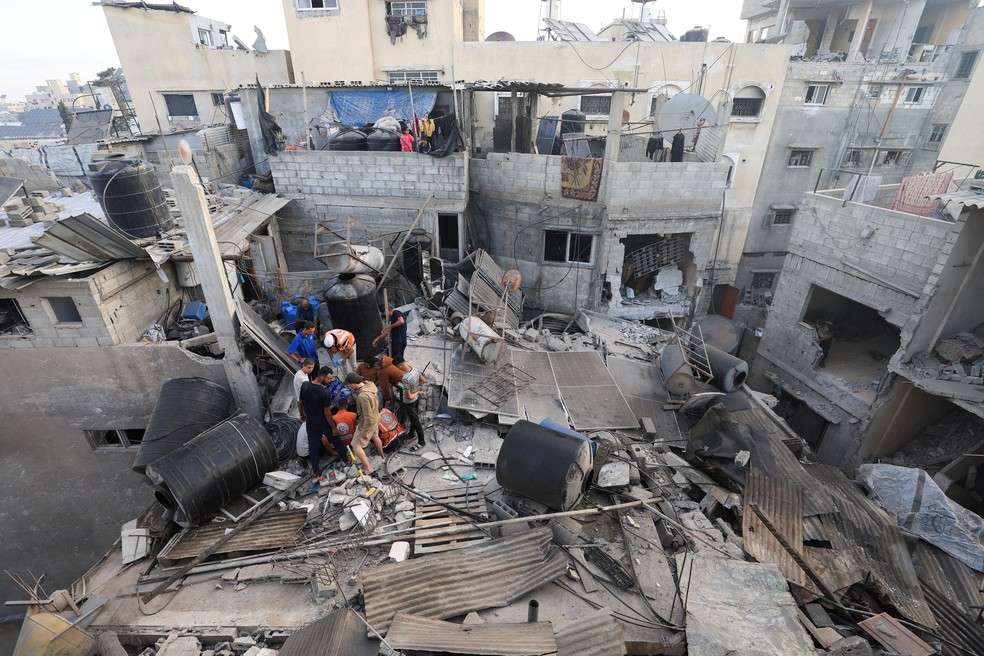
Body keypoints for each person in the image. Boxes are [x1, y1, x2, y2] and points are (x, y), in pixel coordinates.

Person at [298, 366, 344, 485]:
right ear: (322, 377)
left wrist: (301, 413)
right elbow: (327, 413)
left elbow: (300, 401)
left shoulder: (305, 385)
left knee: (313, 446)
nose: (329, 381)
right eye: (328, 379)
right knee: (335, 438)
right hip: (322, 421)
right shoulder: (324, 393)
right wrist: (333, 427)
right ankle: (346, 458)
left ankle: (316, 471)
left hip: (310, 420)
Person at [346, 372, 383, 475]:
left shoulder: (362, 396)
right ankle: (381, 456)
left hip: (368, 423)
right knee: (375, 436)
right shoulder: (370, 384)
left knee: (356, 445)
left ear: (353, 384)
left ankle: (368, 468)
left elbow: (368, 417)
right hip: (376, 416)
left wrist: (364, 432)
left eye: (349, 384)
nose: (349, 386)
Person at [398, 366, 427, 447]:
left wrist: (417, 392)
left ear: (399, 365)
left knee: (415, 421)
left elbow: (409, 396)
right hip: (416, 400)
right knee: (414, 418)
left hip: (409, 402)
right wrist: (414, 388)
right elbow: (423, 380)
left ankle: (421, 442)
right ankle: (411, 434)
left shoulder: (405, 378)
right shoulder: (415, 369)